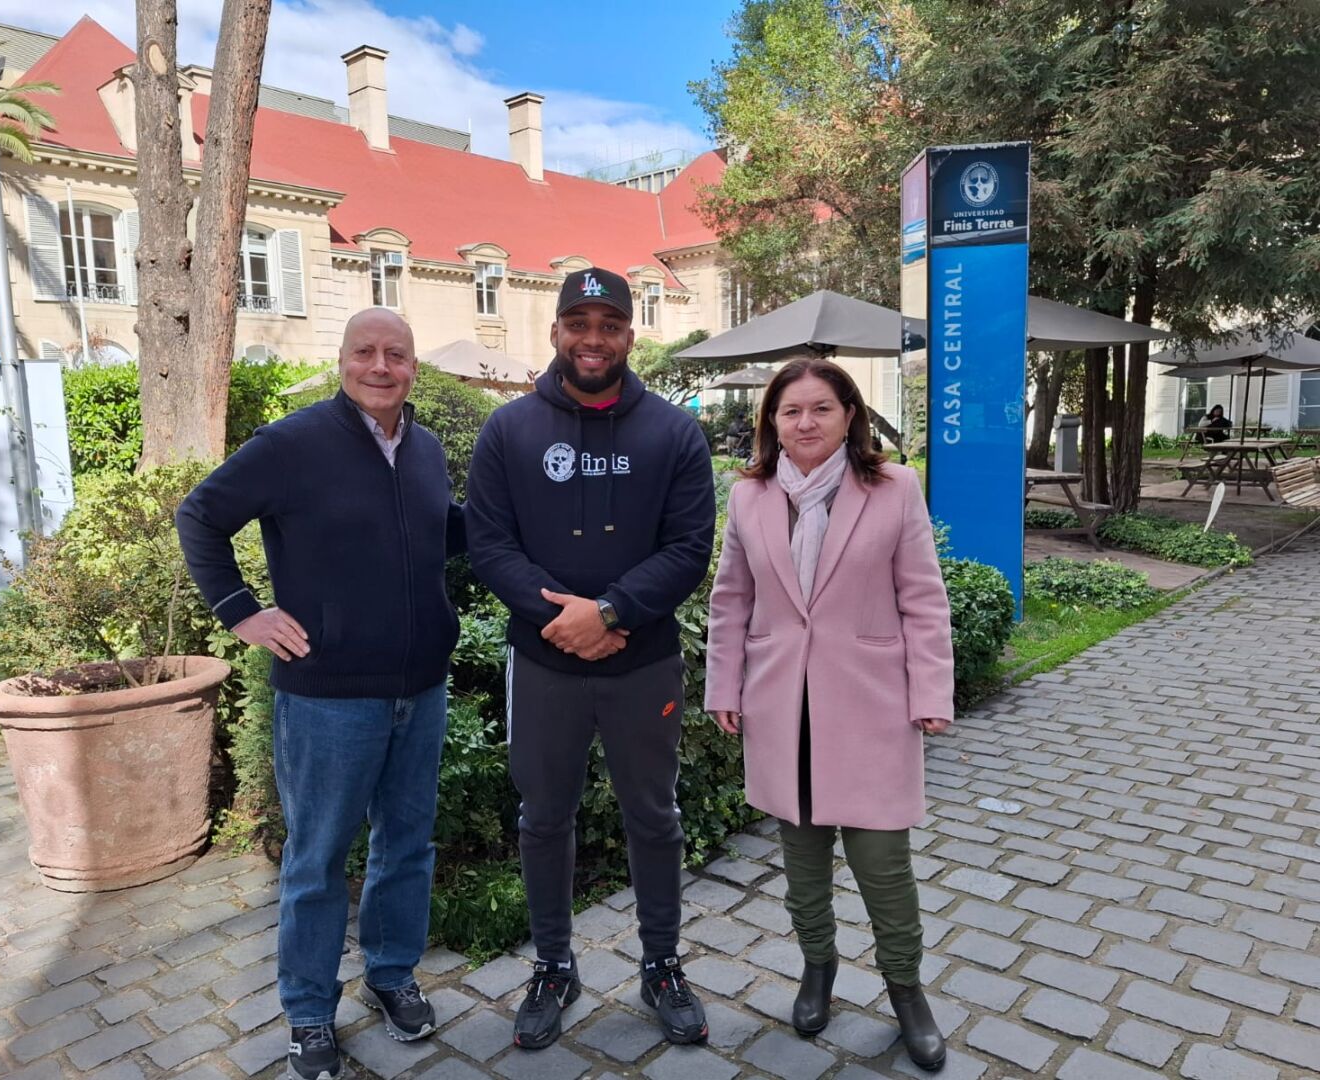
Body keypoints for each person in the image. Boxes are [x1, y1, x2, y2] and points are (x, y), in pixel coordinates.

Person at [176, 309, 465, 1080]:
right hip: (329, 698)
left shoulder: (427, 449)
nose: (381, 366)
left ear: (412, 366)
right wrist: (241, 612)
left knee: (406, 848)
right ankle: (308, 1012)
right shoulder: (293, 444)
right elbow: (200, 515)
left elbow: (441, 532)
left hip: (420, 690)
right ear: (342, 360)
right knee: (317, 859)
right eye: (365, 352)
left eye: (396, 354)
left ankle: (391, 975)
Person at [466, 267, 716, 1050]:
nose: (594, 338)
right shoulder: (508, 430)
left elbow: (689, 549)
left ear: (630, 337)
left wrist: (608, 613)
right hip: (545, 665)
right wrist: (564, 622)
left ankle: (662, 963)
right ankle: (553, 964)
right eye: (580, 322)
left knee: (654, 814)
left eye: (609, 323)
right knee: (544, 818)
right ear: (555, 333)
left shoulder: (674, 432)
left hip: (643, 665)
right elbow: (488, 545)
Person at [704, 358, 953, 1072]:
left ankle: (907, 992)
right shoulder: (750, 496)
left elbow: (924, 600)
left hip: (872, 705)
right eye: (790, 411)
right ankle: (819, 971)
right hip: (783, 707)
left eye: (820, 408)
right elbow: (732, 601)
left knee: (883, 866)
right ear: (771, 422)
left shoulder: (894, 488)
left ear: (850, 414)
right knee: (803, 863)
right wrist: (725, 686)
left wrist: (932, 692)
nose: (804, 423)